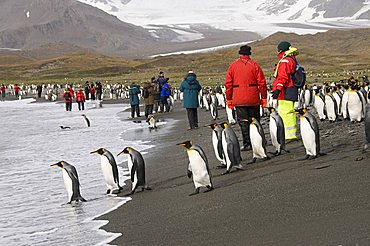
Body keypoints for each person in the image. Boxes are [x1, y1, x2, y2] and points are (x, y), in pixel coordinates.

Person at [225, 45, 267, 150]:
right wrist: (264, 97)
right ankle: (260, 141)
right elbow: (262, 83)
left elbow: (228, 84)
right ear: (249, 54)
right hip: (253, 98)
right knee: (255, 121)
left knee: (244, 123)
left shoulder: (233, 66)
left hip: (239, 99)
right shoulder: (255, 65)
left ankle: (247, 143)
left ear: (240, 54)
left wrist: (229, 99)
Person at [271, 41, 299, 141]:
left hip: (286, 89)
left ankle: (289, 135)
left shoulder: (285, 61)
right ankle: (290, 133)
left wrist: (278, 89)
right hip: (290, 88)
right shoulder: (291, 59)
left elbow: (283, 77)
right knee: (288, 111)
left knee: (285, 112)